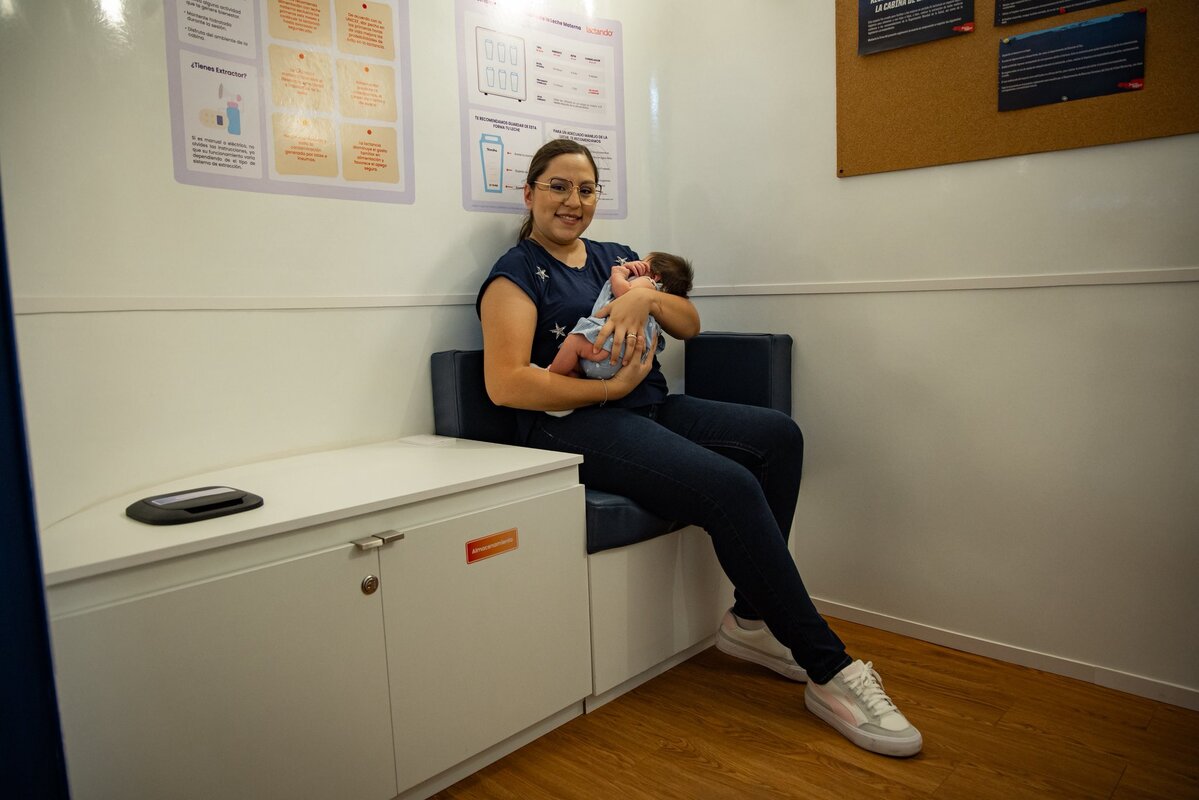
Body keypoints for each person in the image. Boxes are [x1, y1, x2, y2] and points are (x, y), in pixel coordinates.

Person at [476, 138, 922, 758]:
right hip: (569, 422)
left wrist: (646, 296)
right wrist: (611, 391)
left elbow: (689, 325)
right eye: (557, 187)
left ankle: (750, 622)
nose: (573, 201)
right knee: (729, 483)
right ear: (529, 194)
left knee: (777, 436)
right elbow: (505, 383)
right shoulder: (516, 272)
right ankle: (830, 669)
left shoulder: (619, 256)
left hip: (649, 403)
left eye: (585, 188)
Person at [547, 251, 693, 379]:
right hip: (616, 362)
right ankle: (572, 378)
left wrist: (618, 274)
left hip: (609, 351)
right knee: (577, 361)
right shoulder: (658, 300)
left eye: (643, 262)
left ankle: (553, 378)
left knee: (574, 342)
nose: (636, 263)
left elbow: (625, 293)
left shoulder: (647, 283)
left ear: (655, 276)